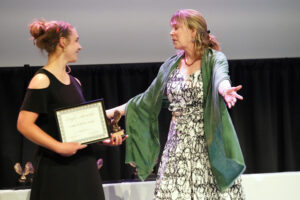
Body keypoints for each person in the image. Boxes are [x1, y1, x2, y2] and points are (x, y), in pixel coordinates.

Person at [106, 9, 246, 199]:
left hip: (207, 147)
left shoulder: (213, 58)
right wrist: (111, 112)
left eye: (176, 28)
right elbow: (147, 100)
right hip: (177, 147)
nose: (171, 33)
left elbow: (221, 77)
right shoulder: (171, 65)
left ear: (193, 31)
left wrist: (224, 89)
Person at [17, 19, 125, 200]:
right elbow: (24, 124)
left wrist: (101, 139)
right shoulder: (43, 80)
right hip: (58, 170)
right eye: (76, 40)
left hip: (84, 167)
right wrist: (58, 146)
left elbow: (77, 127)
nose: (80, 46)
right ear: (62, 42)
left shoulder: (75, 82)